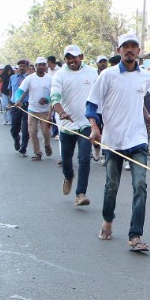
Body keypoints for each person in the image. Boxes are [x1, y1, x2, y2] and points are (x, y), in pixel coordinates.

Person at [87, 33, 150, 251]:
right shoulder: (107, 75)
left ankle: (135, 236)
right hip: (113, 140)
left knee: (140, 185)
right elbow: (91, 104)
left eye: (133, 46)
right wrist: (95, 128)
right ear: (119, 50)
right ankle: (108, 219)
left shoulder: (145, 76)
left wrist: (147, 116)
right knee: (112, 186)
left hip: (137, 140)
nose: (130, 50)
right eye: (125, 46)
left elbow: (138, 100)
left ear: (139, 51)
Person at [51, 45, 97, 207]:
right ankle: (68, 176)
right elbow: (55, 97)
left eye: (74, 57)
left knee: (84, 158)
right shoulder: (59, 76)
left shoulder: (92, 73)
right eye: (68, 57)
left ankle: (80, 194)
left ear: (81, 57)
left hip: (86, 123)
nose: (71, 60)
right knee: (66, 160)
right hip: (66, 125)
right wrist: (61, 112)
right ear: (65, 59)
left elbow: (99, 94)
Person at [15, 57, 53, 161]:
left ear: (46, 66)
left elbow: (55, 95)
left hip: (45, 111)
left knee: (46, 133)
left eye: (43, 64)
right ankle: (38, 153)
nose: (41, 66)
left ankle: (47, 145)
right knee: (32, 132)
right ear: (35, 66)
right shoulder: (29, 78)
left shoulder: (50, 79)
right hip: (32, 110)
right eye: (39, 65)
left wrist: (47, 99)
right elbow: (19, 90)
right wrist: (18, 99)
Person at [8, 60, 30, 156]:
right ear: (18, 67)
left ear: (27, 68)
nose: (22, 67)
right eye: (20, 66)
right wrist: (10, 102)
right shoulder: (12, 78)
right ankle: (16, 139)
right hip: (14, 106)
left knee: (26, 129)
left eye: (24, 66)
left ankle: (23, 148)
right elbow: (10, 91)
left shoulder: (30, 78)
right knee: (14, 128)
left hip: (26, 105)